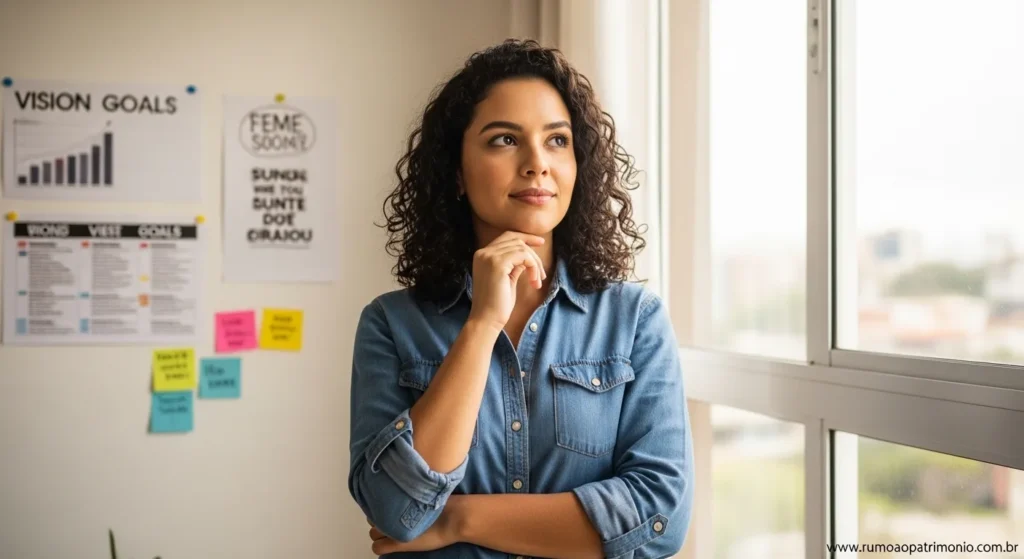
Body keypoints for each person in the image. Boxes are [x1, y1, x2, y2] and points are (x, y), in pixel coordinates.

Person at [348, 38, 694, 559]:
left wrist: (460, 519)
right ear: (457, 172)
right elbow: (396, 512)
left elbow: (659, 518)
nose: (537, 163)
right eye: (505, 139)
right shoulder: (390, 324)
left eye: (557, 140)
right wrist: (481, 325)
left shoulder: (635, 320)